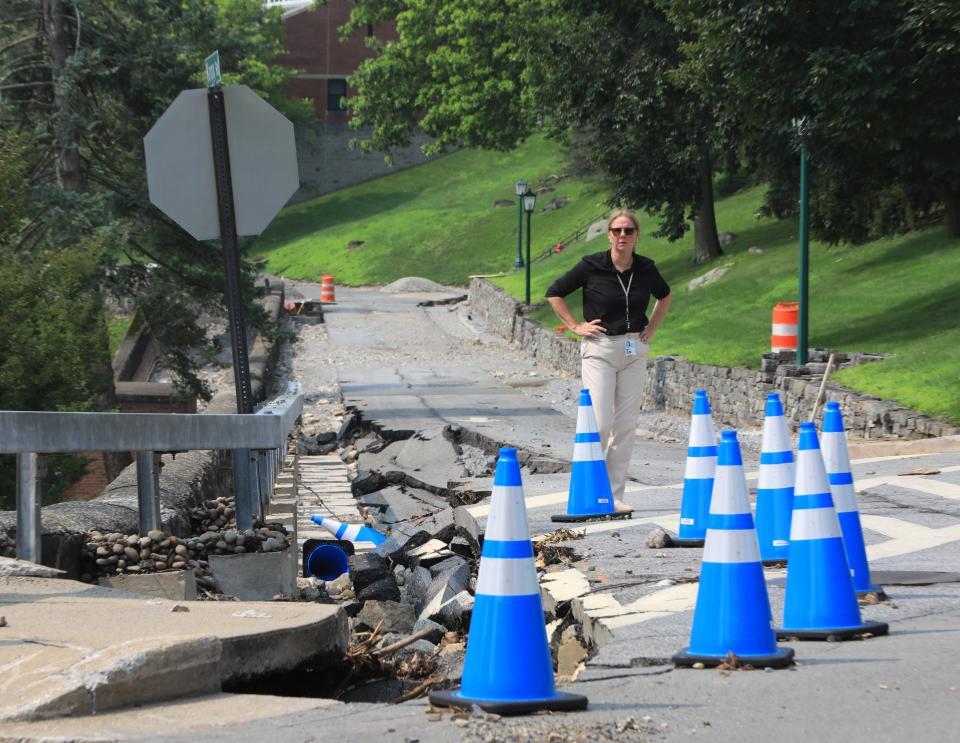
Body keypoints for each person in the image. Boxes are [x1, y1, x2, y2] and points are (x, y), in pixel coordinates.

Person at [545, 210, 672, 513]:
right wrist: (576, 326)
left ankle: (614, 496)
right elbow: (555, 293)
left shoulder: (645, 268)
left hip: (633, 350)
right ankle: (589, 490)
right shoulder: (592, 266)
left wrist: (652, 328)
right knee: (600, 423)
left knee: (626, 425)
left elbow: (664, 296)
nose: (623, 236)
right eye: (617, 231)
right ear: (609, 235)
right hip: (600, 349)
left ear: (637, 235)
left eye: (629, 230)